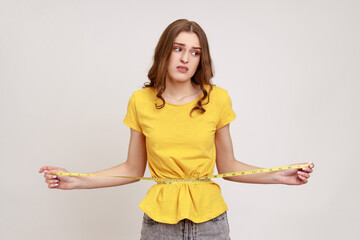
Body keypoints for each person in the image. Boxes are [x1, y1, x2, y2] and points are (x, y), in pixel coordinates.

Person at [39, 19, 315, 240]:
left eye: (195, 52)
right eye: (178, 48)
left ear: (200, 59)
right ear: (164, 52)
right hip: (159, 226)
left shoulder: (217, 99)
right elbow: (133, 169)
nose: (186, 58)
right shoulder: (141, 101)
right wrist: (77, 180)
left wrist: (279, 175)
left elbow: (228, 166)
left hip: (211, 225)